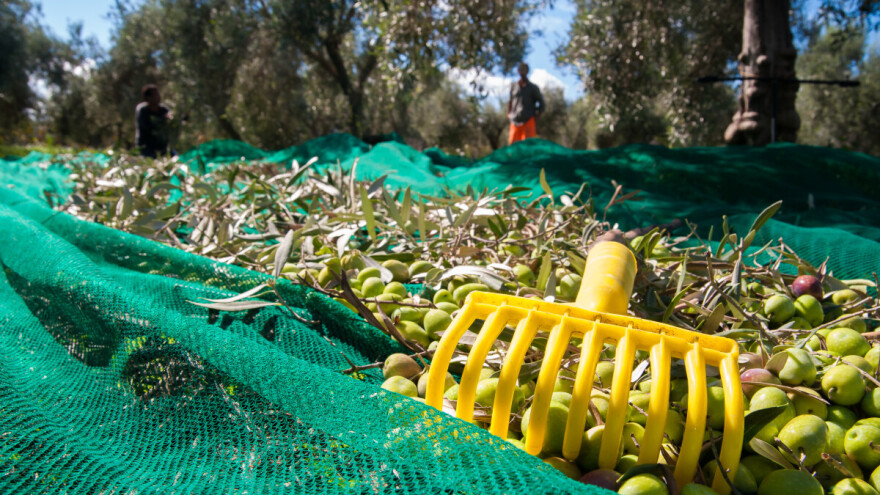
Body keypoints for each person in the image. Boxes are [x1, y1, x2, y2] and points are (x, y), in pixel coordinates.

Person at [507, 62, 544, 145]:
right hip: (514, 121)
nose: (522, 71)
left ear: (527, 71)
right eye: (521, 69)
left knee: (528, 147)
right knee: (512, 148)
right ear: (518, 71)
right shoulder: (513, 86)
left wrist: (535, 117)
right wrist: (508, 114)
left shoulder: (533, 88)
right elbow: (509, 101)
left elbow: (542, 104)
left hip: (528, 121)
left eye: (524, 69)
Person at [135, 84, 171, 158]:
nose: (159, 96)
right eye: (156, 95)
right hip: (146, 149)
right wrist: (163, 119)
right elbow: (148, 127)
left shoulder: (163, 110)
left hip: (162, 149)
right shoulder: (143, 110)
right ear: (148, 98)